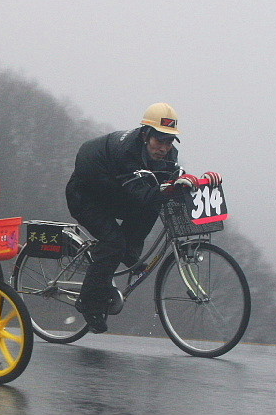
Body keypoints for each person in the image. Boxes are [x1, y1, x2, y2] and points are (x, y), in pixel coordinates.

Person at [65, 103, 221, 333]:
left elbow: (173, 177)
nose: (164, 148)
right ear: (146, 134)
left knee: (149, 209)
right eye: (159, 141)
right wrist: (167, 188)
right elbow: (140, 194)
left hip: (113, 193)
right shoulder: (127, 151)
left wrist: (198, 179)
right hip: (86, 196)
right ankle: (89, 303)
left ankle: (129, 252)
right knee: (113, 243)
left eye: (169, 142)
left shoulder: (167, 153)